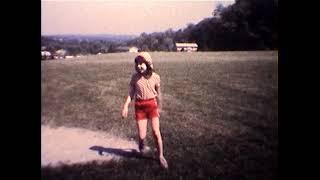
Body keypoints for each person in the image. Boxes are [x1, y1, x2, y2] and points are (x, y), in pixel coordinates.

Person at [121, 52, 168, 169]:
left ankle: (160, 156)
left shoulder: (156, 77)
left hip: (152, 105)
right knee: (142, 136)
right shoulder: (135, 77)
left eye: (142, 63)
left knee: (156, 132)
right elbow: (131, 93)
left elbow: (159, 93)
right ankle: (142, 145)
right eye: (137, 64)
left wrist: (160, 107)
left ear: (148, 64)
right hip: (140, 107)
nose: (139, 66)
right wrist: (126, 105)